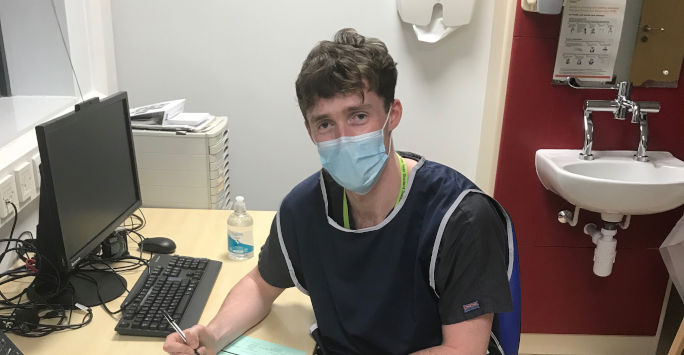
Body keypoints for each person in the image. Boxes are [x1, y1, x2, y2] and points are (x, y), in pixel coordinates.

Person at [163, 28, 514, 355]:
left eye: (358, 116)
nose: (343, 138)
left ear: (392, 115)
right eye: (326, 123)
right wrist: (212, 335)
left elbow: (462, 351)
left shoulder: (460, 219)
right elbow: (261, 284)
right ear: (310, 131)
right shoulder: (304, 210)